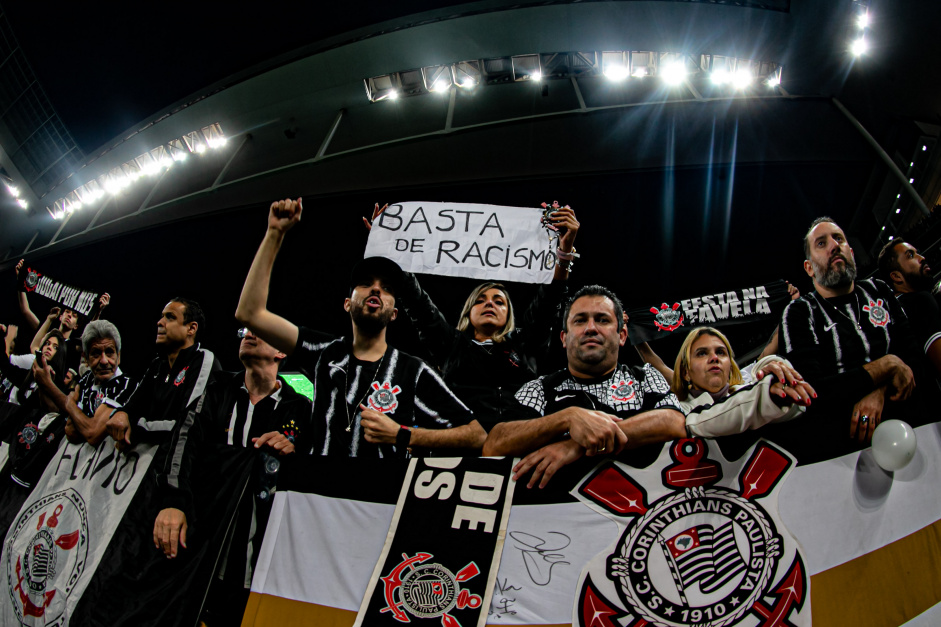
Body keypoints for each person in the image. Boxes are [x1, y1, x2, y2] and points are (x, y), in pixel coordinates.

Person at [235, 197, 486, 458]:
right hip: (316, 496)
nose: (376, 288)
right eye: (365, 283)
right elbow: (249, 313)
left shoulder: (412, 371)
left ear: (394, 314)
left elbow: (476, 435)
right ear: (347, 304)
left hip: (379, 499)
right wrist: (275, 232)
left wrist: (403, 434)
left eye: (387, 288)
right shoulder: (324, 351)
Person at [485, 285, 763, 488]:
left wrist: (576, 445)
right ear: (563, 337)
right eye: (580, 320)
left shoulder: (645, 377)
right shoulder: (539, 389)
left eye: (603, 320)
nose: (591, 328)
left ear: (622, 335)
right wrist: (567, 418)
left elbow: (674, 421)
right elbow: (494, 444)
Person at [370, 201, 579, 426]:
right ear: (468, 313)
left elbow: (548, 301)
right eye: (480, 301)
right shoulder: (452, 345)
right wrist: (388, 247)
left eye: (498, 301)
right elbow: (418, 302)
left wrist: (564, 253)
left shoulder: (525, 342)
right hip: (460, 445)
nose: (489, 304)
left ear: (509, 314)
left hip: (520, 444)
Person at [164, 327, 313, 625]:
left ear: (281, 352)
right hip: (201, 541)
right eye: (246, 330)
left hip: (260, 557)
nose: (249, 333)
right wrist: (173, 501)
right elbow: (185, 442)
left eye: (261, 331)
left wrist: (293, 455)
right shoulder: (217, 388)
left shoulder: (300, 408)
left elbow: (311, 475)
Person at [778, 217, 921, 458]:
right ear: (809, 267)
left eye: (839, 239)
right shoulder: (800, 312)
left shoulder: (879, 290)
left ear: (851, 253)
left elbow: (912, 356)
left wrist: (879, 391)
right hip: (849, 450)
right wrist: (885, 365)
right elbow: (813, 391)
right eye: (821, 244)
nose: (834, 245)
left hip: (915, 427)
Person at [105, 297, 218, 554]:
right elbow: (132, 406)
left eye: (169, 317)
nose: (159, 322)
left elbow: (186, 425)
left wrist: (136, 425)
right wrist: (123, 413)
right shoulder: (156, 365)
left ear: (191, 328)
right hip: (140, 479)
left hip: (180, 485)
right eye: (161, 316)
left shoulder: (204, 360)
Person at [669, 327, 813, 438]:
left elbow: (795, 411)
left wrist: (776, 372)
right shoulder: (677, 411)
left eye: (721, 352)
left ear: (730, 367)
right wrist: (763, 397)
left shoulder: (753, 389)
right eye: (702, 353)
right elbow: (703, 422)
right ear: (685, 372)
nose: (714, 358)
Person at [30, 320, 136, 445]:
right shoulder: (87, 378)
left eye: (109, 352)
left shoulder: (125, 385)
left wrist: (69, 404)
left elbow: (91, 433)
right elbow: (70, 429)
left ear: (119, 356)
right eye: (96, 354)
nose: (103, 360)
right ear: (86, 358)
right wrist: (45, 385)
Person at [877, 239, 941, 377]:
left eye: (917, 253)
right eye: (910, 255)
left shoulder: (891, 316)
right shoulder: (920, 301)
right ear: (896, 276)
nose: (922, 258)